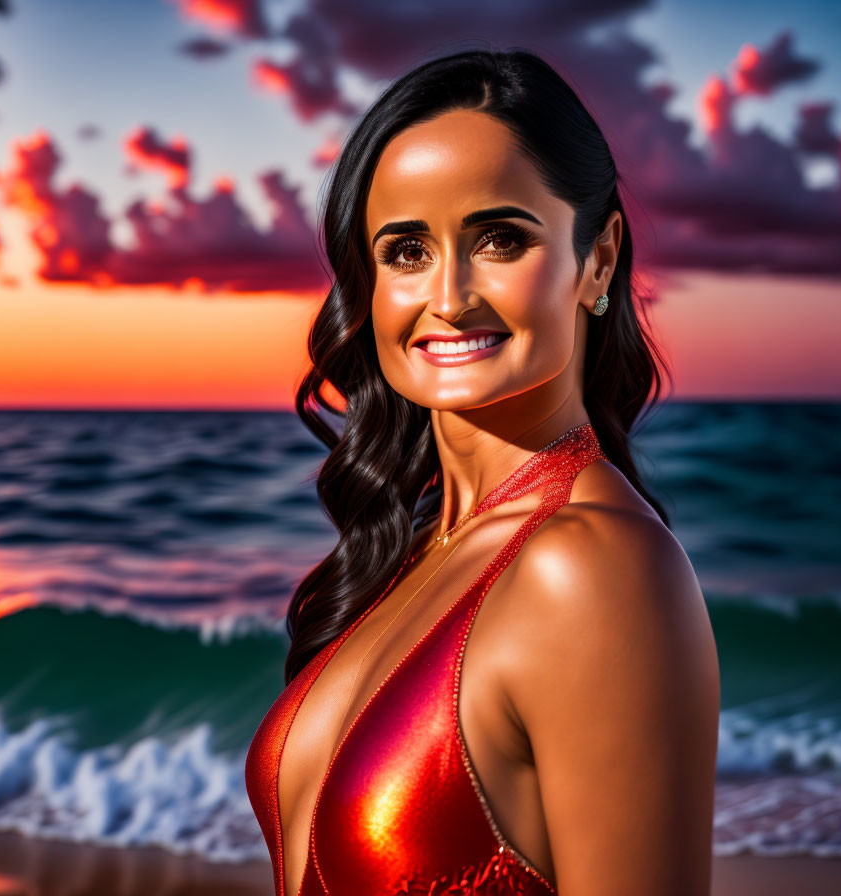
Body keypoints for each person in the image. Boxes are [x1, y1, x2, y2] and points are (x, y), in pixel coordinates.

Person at [245, 46, 720, 896]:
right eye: (406, 251)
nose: (450, 293)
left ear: (598, 260)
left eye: (500, 239)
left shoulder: (592, 568)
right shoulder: (420, 551)